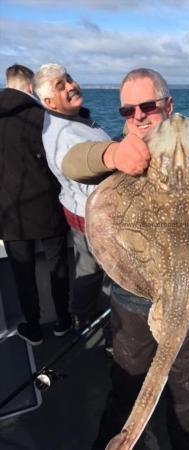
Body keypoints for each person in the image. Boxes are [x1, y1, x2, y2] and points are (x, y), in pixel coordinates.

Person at [62, 68, 189, 450]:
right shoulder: (121, 152)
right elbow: (73, 162)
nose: (138, 116)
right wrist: (111, 153)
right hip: (132, 297)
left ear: (169, 105)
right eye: (128, 110)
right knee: (124, 387)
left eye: (148, 106)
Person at [33, 63, 112, 352]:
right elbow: (90, 178)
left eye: (69, 79)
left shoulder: (74, 120)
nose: (71, 85)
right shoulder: (66, 134)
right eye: (60, 85)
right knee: (101, 274)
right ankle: (97, 327)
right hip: (91, 216)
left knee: (86, 269)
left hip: (77, 212)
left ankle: (83, 319)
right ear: (49, 102)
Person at [0, 64, 71, 345]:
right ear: (31, 87)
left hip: (10, 214)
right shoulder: (44, 117)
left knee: (23, 275)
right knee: (59, 268)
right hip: (48, 210)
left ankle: (33, 326)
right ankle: (63, 320)